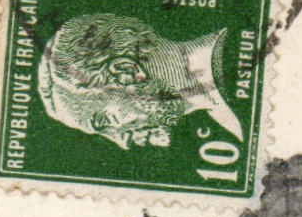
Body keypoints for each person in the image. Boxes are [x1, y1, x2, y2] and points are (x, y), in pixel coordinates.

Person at [38, 12, 245, 152]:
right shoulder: (232, 123)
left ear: (125, 71)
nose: (122, 142)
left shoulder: (244, 58)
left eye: (105, 121)